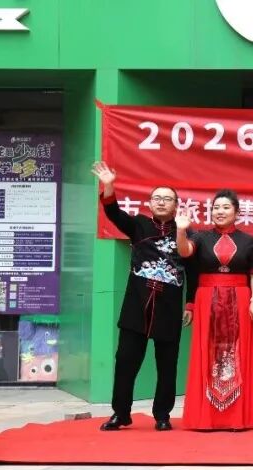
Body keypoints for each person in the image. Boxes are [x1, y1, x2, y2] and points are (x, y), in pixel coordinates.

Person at [91, 161, 194, 432]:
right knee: (125, 361)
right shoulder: (139, 225)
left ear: (176, 205)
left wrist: (190, 303)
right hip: (137, 306)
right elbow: (113, 213)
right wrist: (109, 185)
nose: (161, 202)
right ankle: (121, 413)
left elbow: (193, 270)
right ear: (150, 203)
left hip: (169, 307)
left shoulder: (185, 231)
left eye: (167, 199)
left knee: (167, 365)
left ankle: (163, 415)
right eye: (156, 198)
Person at [176, 189, 253, 430]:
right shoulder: (201, 237)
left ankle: (238, 418)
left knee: (239, 355)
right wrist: (181, 231)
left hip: (240, 298)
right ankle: (206, 418)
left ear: (236, 212)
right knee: (206, 354)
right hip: (207, 299)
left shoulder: (248, 240)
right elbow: (184, 251)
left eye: (226, 207)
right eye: (216, 207)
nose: (220, 211)